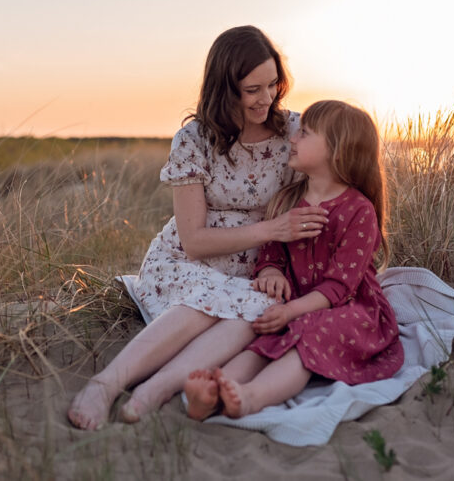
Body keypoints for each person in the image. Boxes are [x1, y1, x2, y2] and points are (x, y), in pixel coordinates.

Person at [67, 25, 328, 430]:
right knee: (209, 299)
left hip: (258, 273)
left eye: (273, 84)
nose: (266, 98)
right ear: (226, 89)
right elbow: (193, 241)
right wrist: (271, 230)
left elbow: (335, 180)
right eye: (252, 89)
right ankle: (105, 384)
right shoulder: (194, 139)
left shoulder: (293, 132)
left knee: (255, 312)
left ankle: (155, 390)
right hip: (189, 264)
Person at [183, 100, 404, 421]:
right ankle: (216, 390)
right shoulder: (288, 200)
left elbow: (340, 287)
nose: (293, 138)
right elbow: (271, 253)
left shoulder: (359, 210)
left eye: (305, 133)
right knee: (266, 333)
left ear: (337, 151)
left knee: (308, 330)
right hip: (296, 303)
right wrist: (271, 272)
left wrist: (291, 311)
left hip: (350, 309)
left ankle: (251, 398)